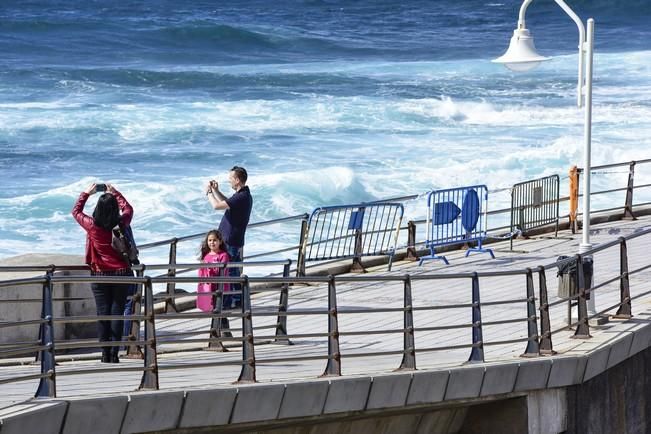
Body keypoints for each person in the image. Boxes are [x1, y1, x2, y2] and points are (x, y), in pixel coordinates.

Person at [72, 183, 133, 363]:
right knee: (117, 313)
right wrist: (115, 193)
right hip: (121, 273)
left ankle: (104, 354)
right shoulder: (121, 223)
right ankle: (114, 354)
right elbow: (128, 209)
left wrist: (86, 193)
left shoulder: (92, 225)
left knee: (103, 313)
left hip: (99, 274)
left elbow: (76, 211)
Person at [205, 166, 253, 309]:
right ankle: (237, 300)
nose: (229, 181)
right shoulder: (243, 196)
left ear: (237, 180)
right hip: (234, 240)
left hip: (231, 241)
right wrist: (216, 191)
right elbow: (228, 203)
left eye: (231, 179)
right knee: (234, 272)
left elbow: (217, 206)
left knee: (231, 274)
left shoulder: (242, 197)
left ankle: (234, 301)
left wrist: (208, 193)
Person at [197, 230, 230, 312]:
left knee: (219, 309)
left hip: (221, 288)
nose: (212, 242)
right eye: (210, 240)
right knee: (212, 309)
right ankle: (214, 324)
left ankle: (223, 324)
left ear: (220, 241)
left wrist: (211, 269)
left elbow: (223, 271)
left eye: (214, 240)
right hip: (210, 288)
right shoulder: (206, 256)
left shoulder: (223, 255)